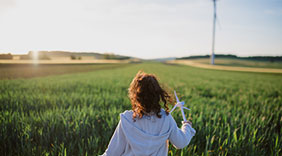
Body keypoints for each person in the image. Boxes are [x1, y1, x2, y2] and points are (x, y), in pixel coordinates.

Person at [102, 71, 196, 156]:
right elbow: (181, 142)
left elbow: (112, 153)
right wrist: (187, 127)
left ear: (135, 96)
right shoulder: (165, 119)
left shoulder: (127, 119)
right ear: (158, 95)